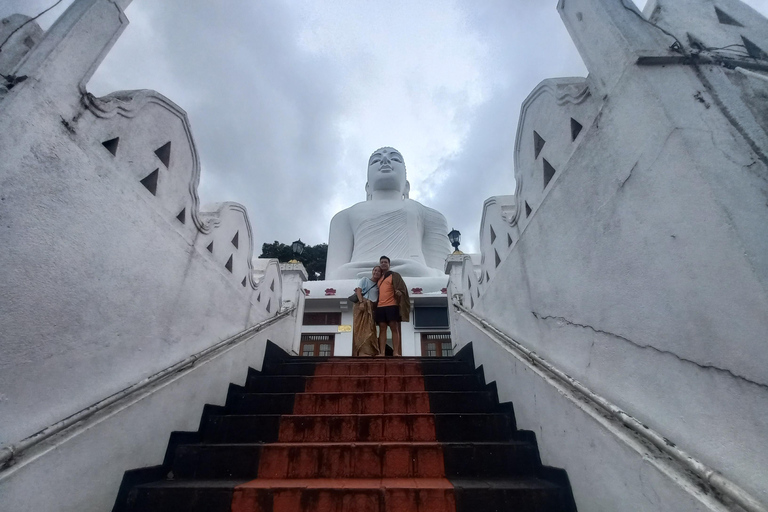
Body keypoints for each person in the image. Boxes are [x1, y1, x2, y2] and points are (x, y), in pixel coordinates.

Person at [325, 147, 451, 279]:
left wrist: (420, 272)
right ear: (367, 187)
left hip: (415, 278)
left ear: (406, 186)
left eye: (395, 159)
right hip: (355, 277)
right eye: (376, 161)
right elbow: (332, 277)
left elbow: (444, 276)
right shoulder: (343, 217)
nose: (385, 160)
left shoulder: (430, 215)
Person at [375, 255, 410, 357]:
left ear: (389, 264)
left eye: (385, 262)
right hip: (380, 306)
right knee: (382, 329)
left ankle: (396, 352)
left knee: (394, 328)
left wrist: (399, 292)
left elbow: (403, 288)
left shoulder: (395, 275)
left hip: (392, 305)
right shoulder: (379, 278)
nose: (383, 264)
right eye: (382, 262)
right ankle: (381, 352)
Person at [352, 266, 381, 356]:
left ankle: (370, 351)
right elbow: (359, 291)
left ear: (381, 274)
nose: (376, 272)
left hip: (371, 308)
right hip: (362, 305)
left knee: (370, 329)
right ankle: (361, 352)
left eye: (379, 271)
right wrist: (361, 302)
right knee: (361, 329)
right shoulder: (365, 279)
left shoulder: (379, 285)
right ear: (372, 271)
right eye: (375, 270)